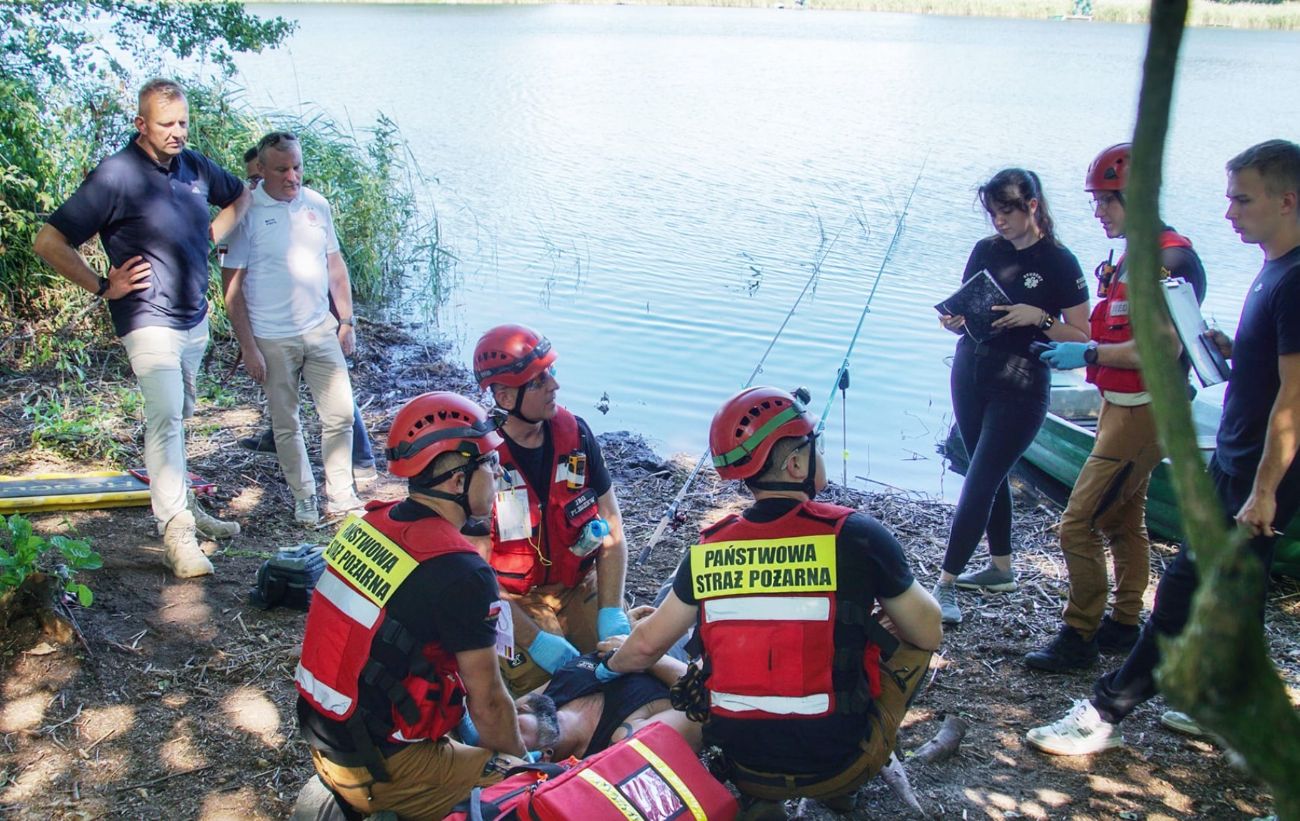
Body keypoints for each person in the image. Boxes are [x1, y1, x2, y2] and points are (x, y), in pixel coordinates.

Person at [1027, 139, 1300, 755]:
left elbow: (1295, 397)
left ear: (1287, 200)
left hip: (1254, 474)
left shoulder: (1289, 274)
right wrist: (1229, 348)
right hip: (1237, 460)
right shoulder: (1276, 267)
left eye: (1241, 199)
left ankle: (1101, 711)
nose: (1228, 211)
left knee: (1176, 595)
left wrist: (1262, 492)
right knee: (1238, 596)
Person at [603, 386, 942, 819]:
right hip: (841, 761)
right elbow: (929, 632)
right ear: (796, 463)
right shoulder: (857, 535)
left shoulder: (709, 549)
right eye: (814, 446)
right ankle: (845, 783)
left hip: (744, 766)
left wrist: (607, 666)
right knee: (910, 631)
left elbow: (648, 645)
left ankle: (764, 798)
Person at [32, 78, 250, 579]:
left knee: (182, 411)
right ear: (140, 125)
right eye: (166, 124)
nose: (177, 133)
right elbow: (49, 240)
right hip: (145, 317)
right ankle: (176, 530)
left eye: (183, 124)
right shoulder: (117, 176)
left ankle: (186, 504)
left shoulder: (193, 167)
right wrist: (100, 284)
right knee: (166, 416)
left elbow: (239, 196)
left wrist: (207, 236)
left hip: (193, 317)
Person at [295, 391, 527, 819]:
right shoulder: (462, 572)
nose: (497, 474)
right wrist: (522, 768)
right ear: (458, 481)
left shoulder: (369, 524)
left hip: (328, 739)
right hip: (379, 766)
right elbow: (490, 703)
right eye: (490, 465)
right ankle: (398, 804)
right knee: (528, 790)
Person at [1026, 144, 1207, 672]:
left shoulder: (1171, 260)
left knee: (1076, 523)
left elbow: (1164, 349)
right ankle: (1125, 624)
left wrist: (1086, 351)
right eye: (1096, 202)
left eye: (1108, 201)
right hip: (1118, 403)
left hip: (1146, 410)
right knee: (1125, 520)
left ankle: (1079, 634)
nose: (1099, 212)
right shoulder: (1134, 253)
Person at [934, 168, 1091, 624]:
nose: (998, 221)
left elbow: (1081, 337)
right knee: (990, 471)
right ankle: (1001, 568)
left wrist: (1038, 317)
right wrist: (954, 320)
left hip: (1021, 383)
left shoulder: (1061, 262)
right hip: (971, 368)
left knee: (979, 479)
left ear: (1033, 206)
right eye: (993, 213)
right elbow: (966, 307)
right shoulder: (986, 250)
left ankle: (944, 584)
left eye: (1007, 211)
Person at [471, 324, 630, 696]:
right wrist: (537, 640)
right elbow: (475, 578)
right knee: (547, 689)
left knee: (621, 662)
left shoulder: (576, 435)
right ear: (506, 396)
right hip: (513, 601)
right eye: (539, 380)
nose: (554, 386)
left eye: (551, 374)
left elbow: (612, 527)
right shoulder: (480, 460)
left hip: (576, 585)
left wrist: (612, 613)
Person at [222, 132, 365, 525]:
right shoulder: (247, 213)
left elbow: (336, 266)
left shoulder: (317, 205)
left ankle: (341, 494)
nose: (292, 176)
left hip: (320, 328)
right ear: (261, 170)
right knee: (287, 422)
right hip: (272, 336)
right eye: (282, 169)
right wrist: (249, 347)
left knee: (339, 415)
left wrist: (347, 320)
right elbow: (231, 288)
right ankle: (305, 497)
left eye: (297, 167)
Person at [515, 645, 702, 761]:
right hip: (696, 666)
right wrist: (643, 652)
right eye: (512, 732)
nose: (508, 718)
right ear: (543, 757)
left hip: (654, 639)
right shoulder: (624, 740)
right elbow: (708, 697)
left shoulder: (541, 702)